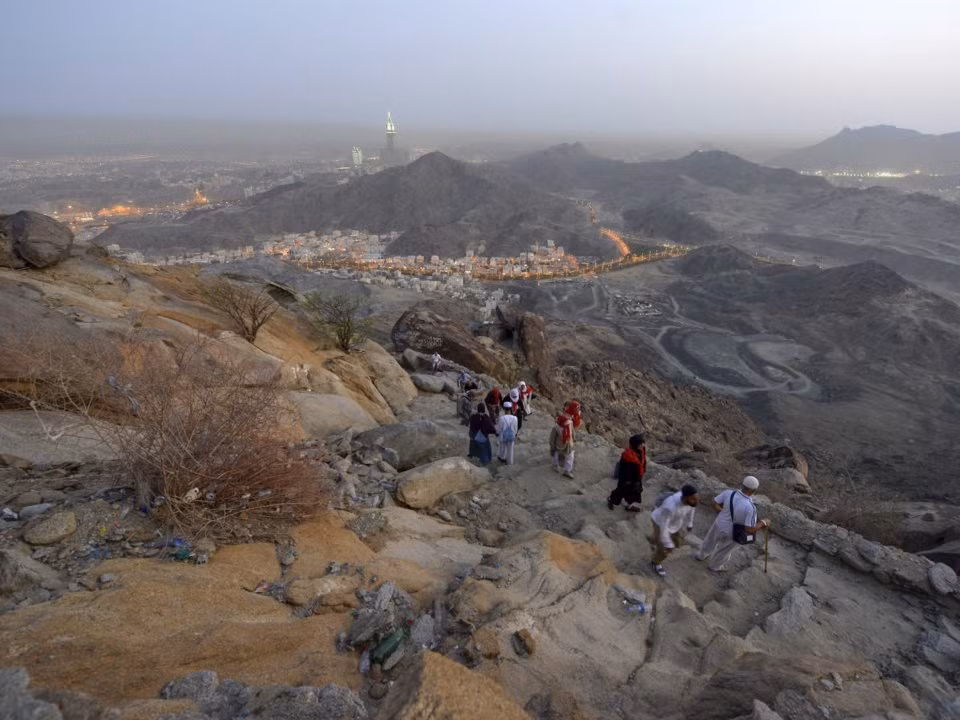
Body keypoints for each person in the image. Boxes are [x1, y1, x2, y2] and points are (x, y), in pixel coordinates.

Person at [696, 475, 770, 573]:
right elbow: (749, 529)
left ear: (742, 485)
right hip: (732, 532)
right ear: (754, 490)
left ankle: (701, 555)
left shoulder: (728, 493)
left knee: (710, 541)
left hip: (718, 524)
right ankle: (714, 566)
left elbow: (714, 503)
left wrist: (722, 512)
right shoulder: (750, 508)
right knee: (724, 550)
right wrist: (763, 522)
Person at [649, 484, 699, 577]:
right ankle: (655, 562)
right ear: (686, 497)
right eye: (693, 499)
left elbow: (692, 507)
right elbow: (664, 527)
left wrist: (690, 522)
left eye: (697, 498)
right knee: (665, 549)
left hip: (675, 525)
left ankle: (653, 539)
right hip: (660, 523)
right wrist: (668, 544)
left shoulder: (690, 501)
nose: (696, 501)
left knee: (677, 543)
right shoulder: (670, 507)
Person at [608, 434, 646, 512]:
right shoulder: (627, 456)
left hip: (636, 478)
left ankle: (629, 506)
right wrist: (626, 481)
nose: (642, 445)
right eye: (640, 444)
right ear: (635, 445)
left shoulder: (641, 451)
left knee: (634, 494)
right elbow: (623, 470)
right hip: (627, 480)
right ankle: (611, 500)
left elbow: (643, 462)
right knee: (620, 492)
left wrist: (642, 473)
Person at [467, 402, 497, 466]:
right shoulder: (486, 417)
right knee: (486, 447)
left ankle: (472, 455)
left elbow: (471, 426)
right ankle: (485, 461)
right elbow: (492, 428)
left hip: (474, 436)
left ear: (477, 409)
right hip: (483, 437)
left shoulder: (473, 416)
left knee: (473, 443)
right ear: (484, 409)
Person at [549, 409, 576, 478]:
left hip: (568, 444)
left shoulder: (569, 423)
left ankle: (567, 471)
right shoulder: (556, 428)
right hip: (558, 445)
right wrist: (552, 446)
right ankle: (555, 465)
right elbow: (552, 438)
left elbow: (572, 431)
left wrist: (574, 438)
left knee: (570, 456)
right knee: (555, 455)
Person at [496, 400, 519, 465]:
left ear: (504, 409)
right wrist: (514, 434)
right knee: (510, 450)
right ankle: (510, 462)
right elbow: (515, 428)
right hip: (511, 436)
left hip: (503, 437)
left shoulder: (502, 418)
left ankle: (501, 459)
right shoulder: (515, 418)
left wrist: (497, 433)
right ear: (511, 409)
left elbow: (499, 429)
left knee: (502, 449)